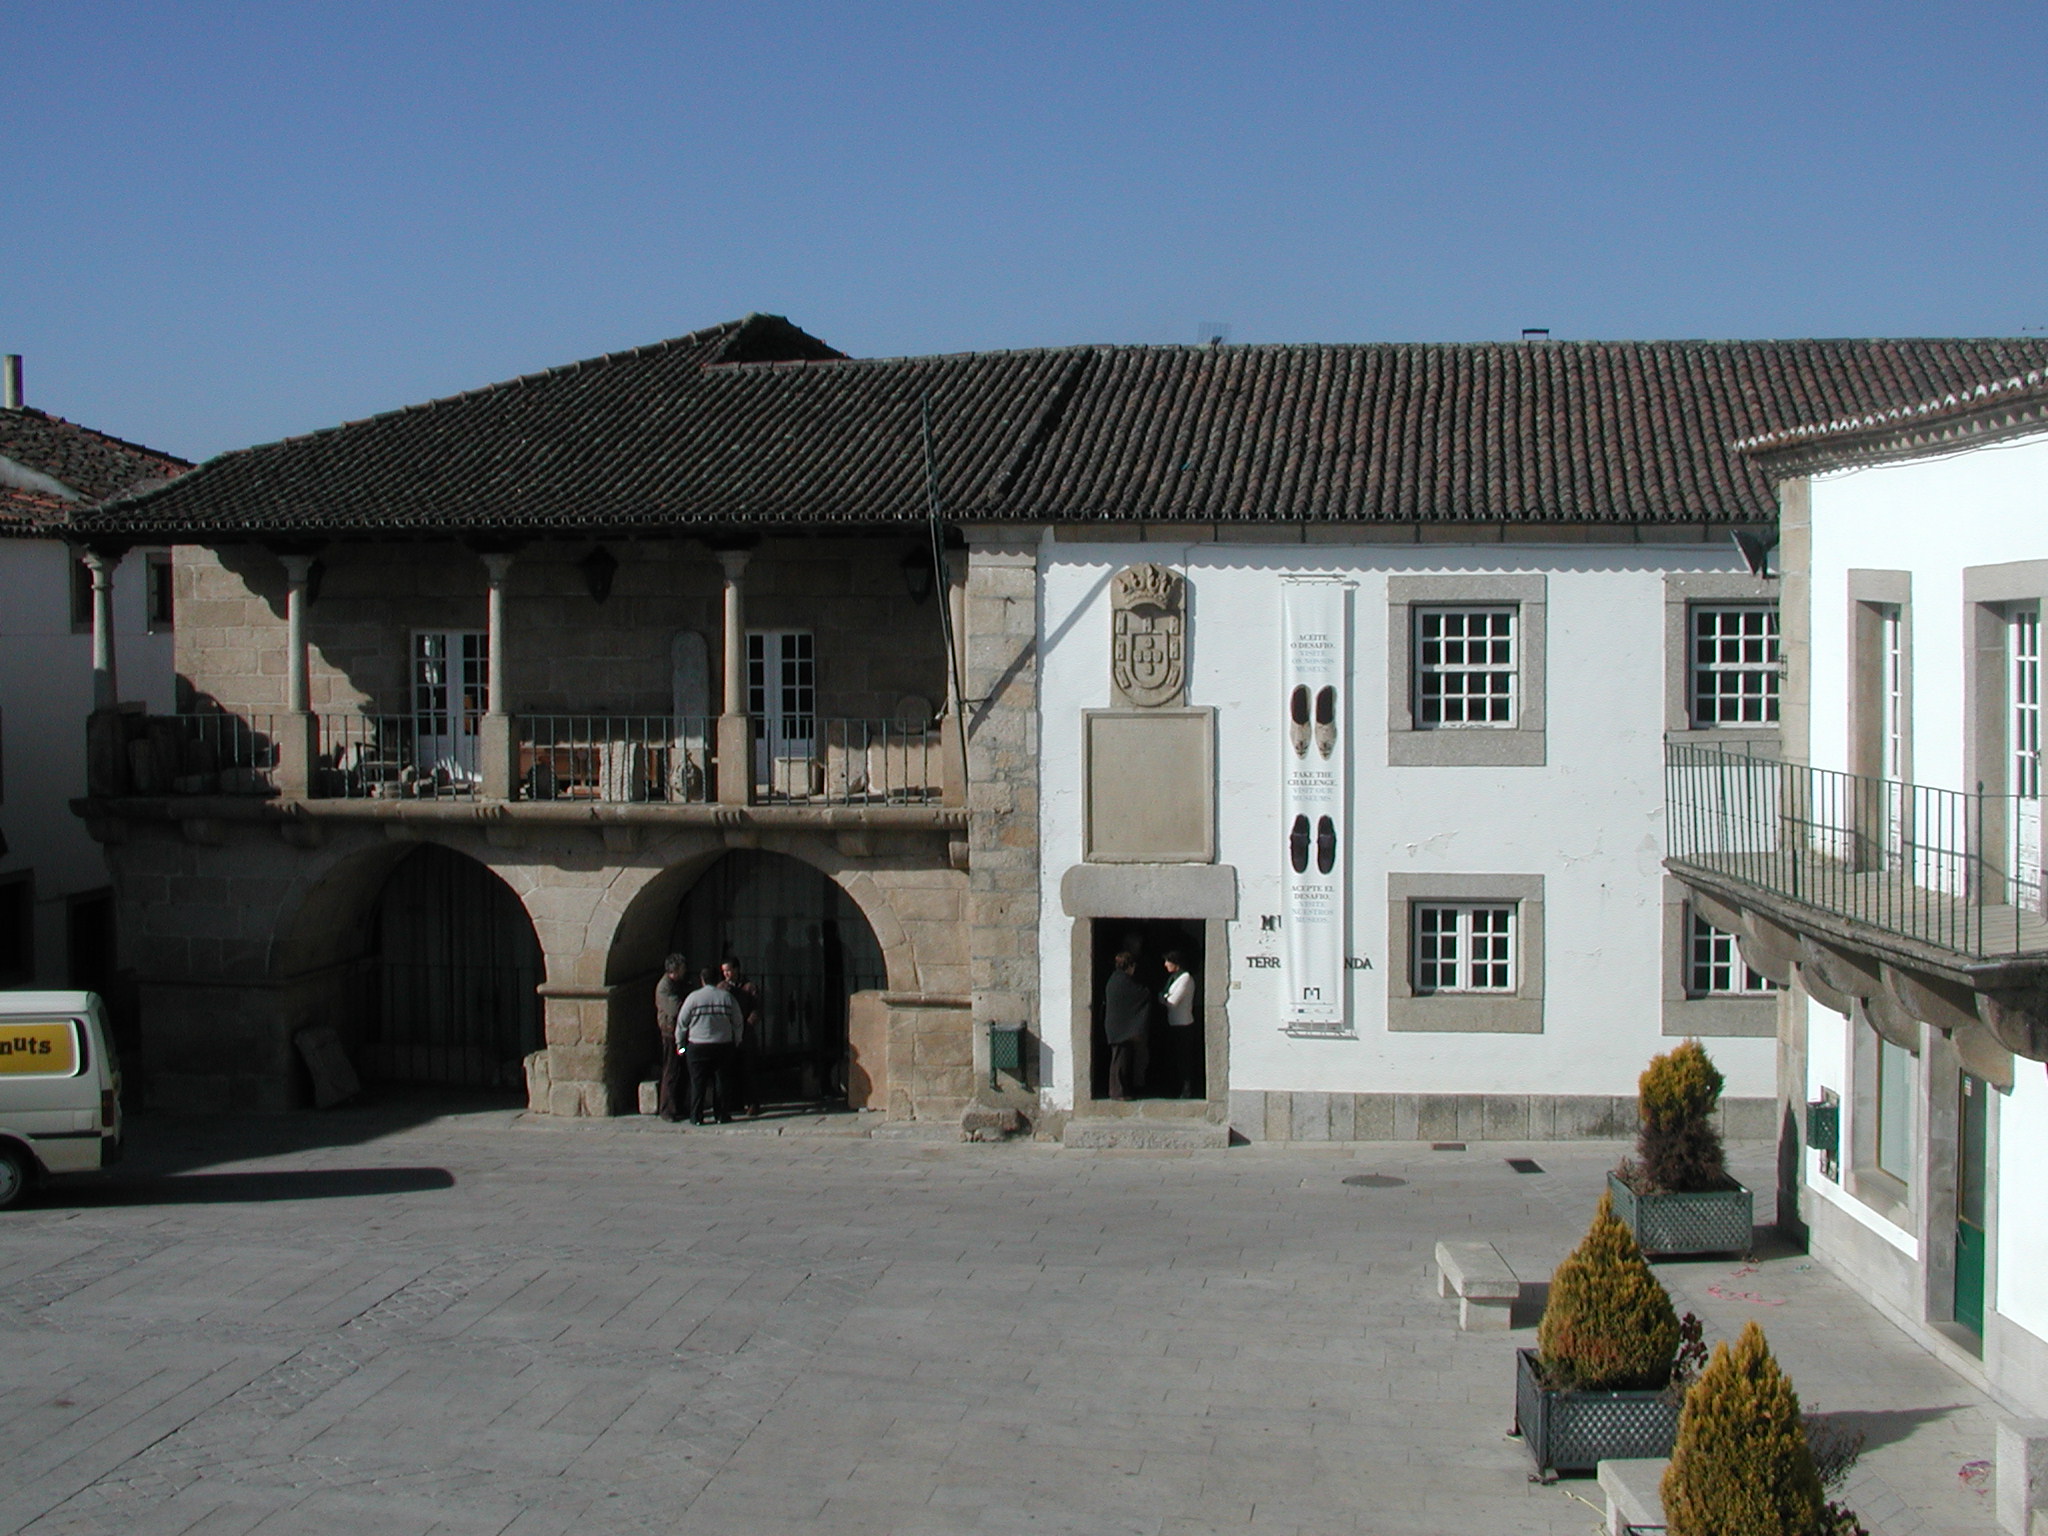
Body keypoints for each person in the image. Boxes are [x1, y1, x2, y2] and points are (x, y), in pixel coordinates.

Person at [679, 966, 742, 1125]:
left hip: (697, 1045)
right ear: (718, 980)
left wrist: (680, 1046)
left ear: (702, 979)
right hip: (723, 1045)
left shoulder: (693, 998)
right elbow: (738, 1021)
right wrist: (737, 1040)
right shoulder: (726, 997)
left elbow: (682, 1023)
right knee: (721, 1082)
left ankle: (697, 1117)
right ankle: (721, 1115)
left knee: (697, 1083)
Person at [1102, 950, 1151, 1101]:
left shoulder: (1115, 979)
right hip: (1120, 1029)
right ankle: (1118, 1092)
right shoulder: (1122, 981)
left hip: (1118, 1028)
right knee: (1119, 1061)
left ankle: (1121, 1091)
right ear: (1129, 966)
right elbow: (1141, 994)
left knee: (1121, 1060)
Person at [720, 959, 764, 1117]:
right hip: (729, 1034)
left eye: (729, 970)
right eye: (724, 971)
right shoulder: (722, 987)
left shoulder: (749, 987)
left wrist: (747, 1026)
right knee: (731, 1070)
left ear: (737, 969)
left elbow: (756, 1009)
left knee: (748, 1069)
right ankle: (733, 1102)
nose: (726, 974)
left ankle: (753, 1103)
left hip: (745, 1035)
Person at [653, 952, 690, 1122]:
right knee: (671, 1069)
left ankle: (679, 1105)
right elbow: (676, 1009)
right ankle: (667, 1108)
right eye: (681, 968)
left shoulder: (678, 984)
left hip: (680, 1036)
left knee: (681, 1069)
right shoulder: (665, 987)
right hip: (671, 1035)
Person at [1161, 950, 1200, 1099]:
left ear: (1175, 963)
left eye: (1167, 961)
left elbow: (1172, 1002)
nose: (1165, 965)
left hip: (1183, 1025)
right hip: (1174, 1023)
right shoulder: (1173, 978)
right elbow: (1164, 997)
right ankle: (1175, 1088)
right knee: (1175, 1058)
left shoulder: (1185, 978)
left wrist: (1165, 998)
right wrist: (1165, 997)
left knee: (1184, 1059)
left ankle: (1186, 1090)